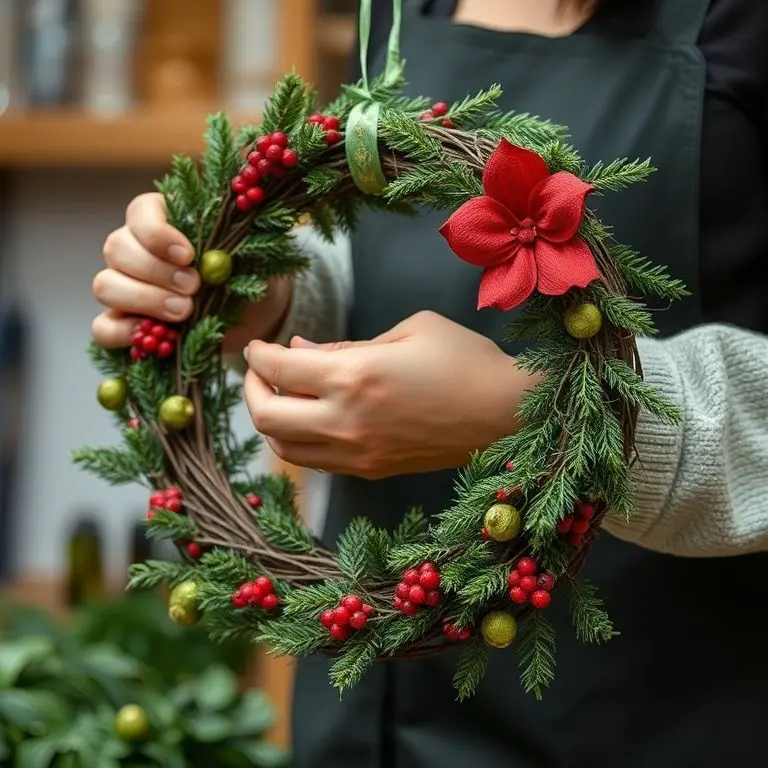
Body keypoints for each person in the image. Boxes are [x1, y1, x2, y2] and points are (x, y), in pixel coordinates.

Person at [91, 0, 768, 765]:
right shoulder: (398, 11)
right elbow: (395, 249)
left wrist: (534, 412)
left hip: (646, 717)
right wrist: (267, 297)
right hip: (365, 715)